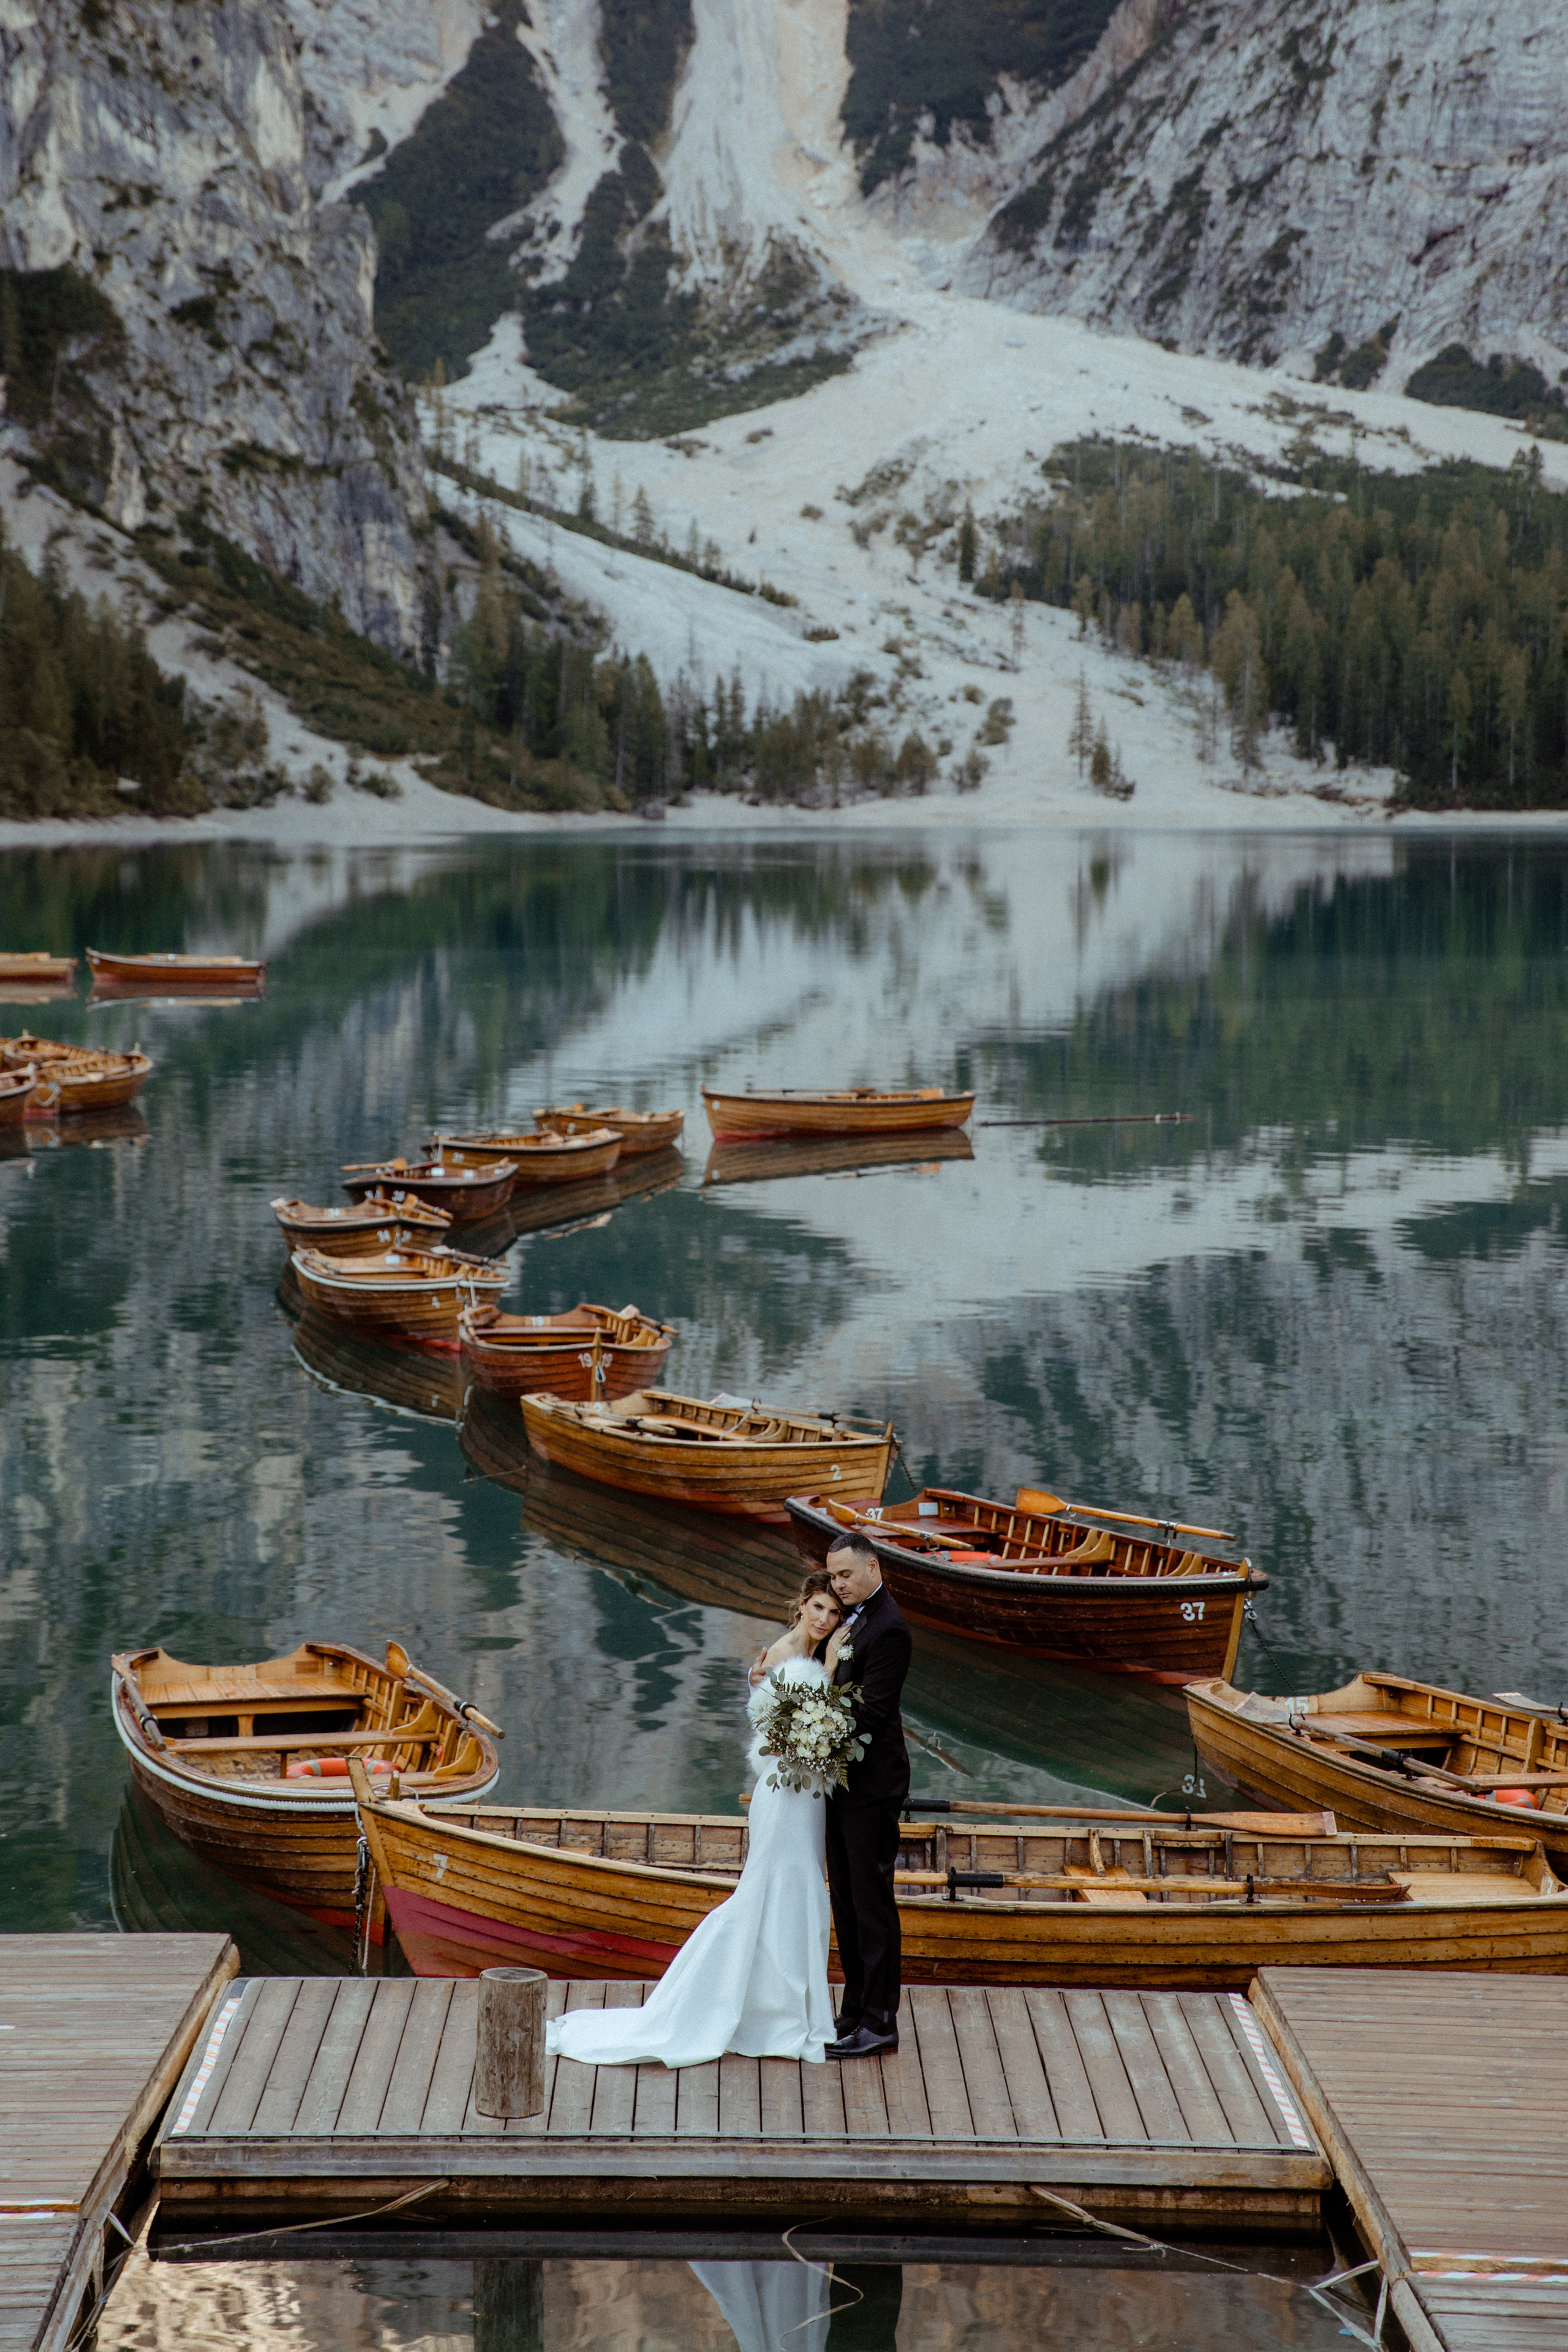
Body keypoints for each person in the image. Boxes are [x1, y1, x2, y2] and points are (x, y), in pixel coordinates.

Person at [544, 1572, 846, 2070]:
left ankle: (784, 2010)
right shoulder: (780, 1657)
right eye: (818, 1607)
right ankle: (756, 2013)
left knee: (798, 1891)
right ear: (801, 1605)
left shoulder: (810, 1659)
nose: (824, 1619)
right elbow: (779, 1739)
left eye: (833, 1613)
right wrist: (831, 1672)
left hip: (806, 1795)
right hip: (785, 1795)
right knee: (771, 1891)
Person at [821, 1533, 912, 2060]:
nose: (839, 1585)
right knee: (847, 1901)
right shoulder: (851, 1617)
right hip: (840, 1781)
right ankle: (854, 2010)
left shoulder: (890, 1628)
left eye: (846, 1575)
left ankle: (880, 2022)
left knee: (872, 1903)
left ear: (873, 1567)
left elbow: (872, 1714)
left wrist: (812, 1725)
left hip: (873, 1786)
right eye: (833, 1577)